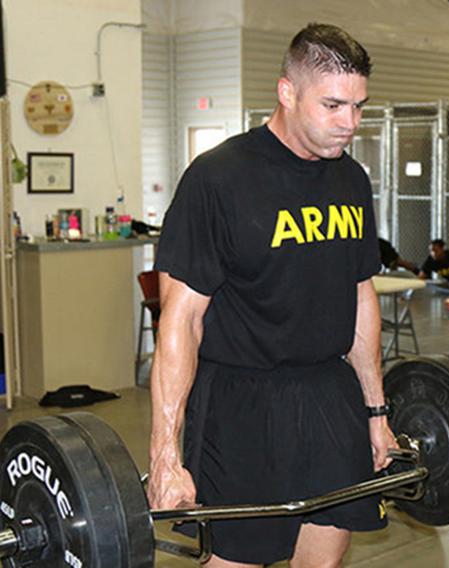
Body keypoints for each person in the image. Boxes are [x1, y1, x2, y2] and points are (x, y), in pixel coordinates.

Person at [147, 24, 396, 567]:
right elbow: (181, 320)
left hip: (330, 395)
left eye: (358, 107)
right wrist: (165, 452)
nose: (349, 123)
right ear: (288, 92)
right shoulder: (218, 179)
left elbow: (359, 298)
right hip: (242, 402)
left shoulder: (350, 179)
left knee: (324, 560)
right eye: (333, 105)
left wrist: (376, 410)